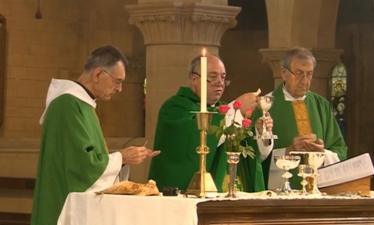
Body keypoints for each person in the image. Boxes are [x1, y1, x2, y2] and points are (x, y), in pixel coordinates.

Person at [31, 45, 160, 225]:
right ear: (98, 74)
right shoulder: (68, 105)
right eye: (117, 81)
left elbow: (87, 158)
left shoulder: (82, 105)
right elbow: (82, 168)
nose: (120, 88)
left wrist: (123, 159)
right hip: (62, 206)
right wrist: (122, 157)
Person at [148, 54, 273, 193]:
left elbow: (252, 157)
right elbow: (189, 145)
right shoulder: (175, 107)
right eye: (213, 77)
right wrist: (236, 107)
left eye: (223, 77)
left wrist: (260, 132)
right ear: (194, 79)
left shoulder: (225, 110)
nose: (220, 82)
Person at [257, 47, 348, 190]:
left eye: (309, 74)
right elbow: (254, 157)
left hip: (318, 189)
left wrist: (322, 154)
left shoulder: (321, 105)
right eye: (299, 73)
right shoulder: (266, 106)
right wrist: (288, 151)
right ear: (284, 73)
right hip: (278, 192)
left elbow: (340, 150)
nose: (305, 80)